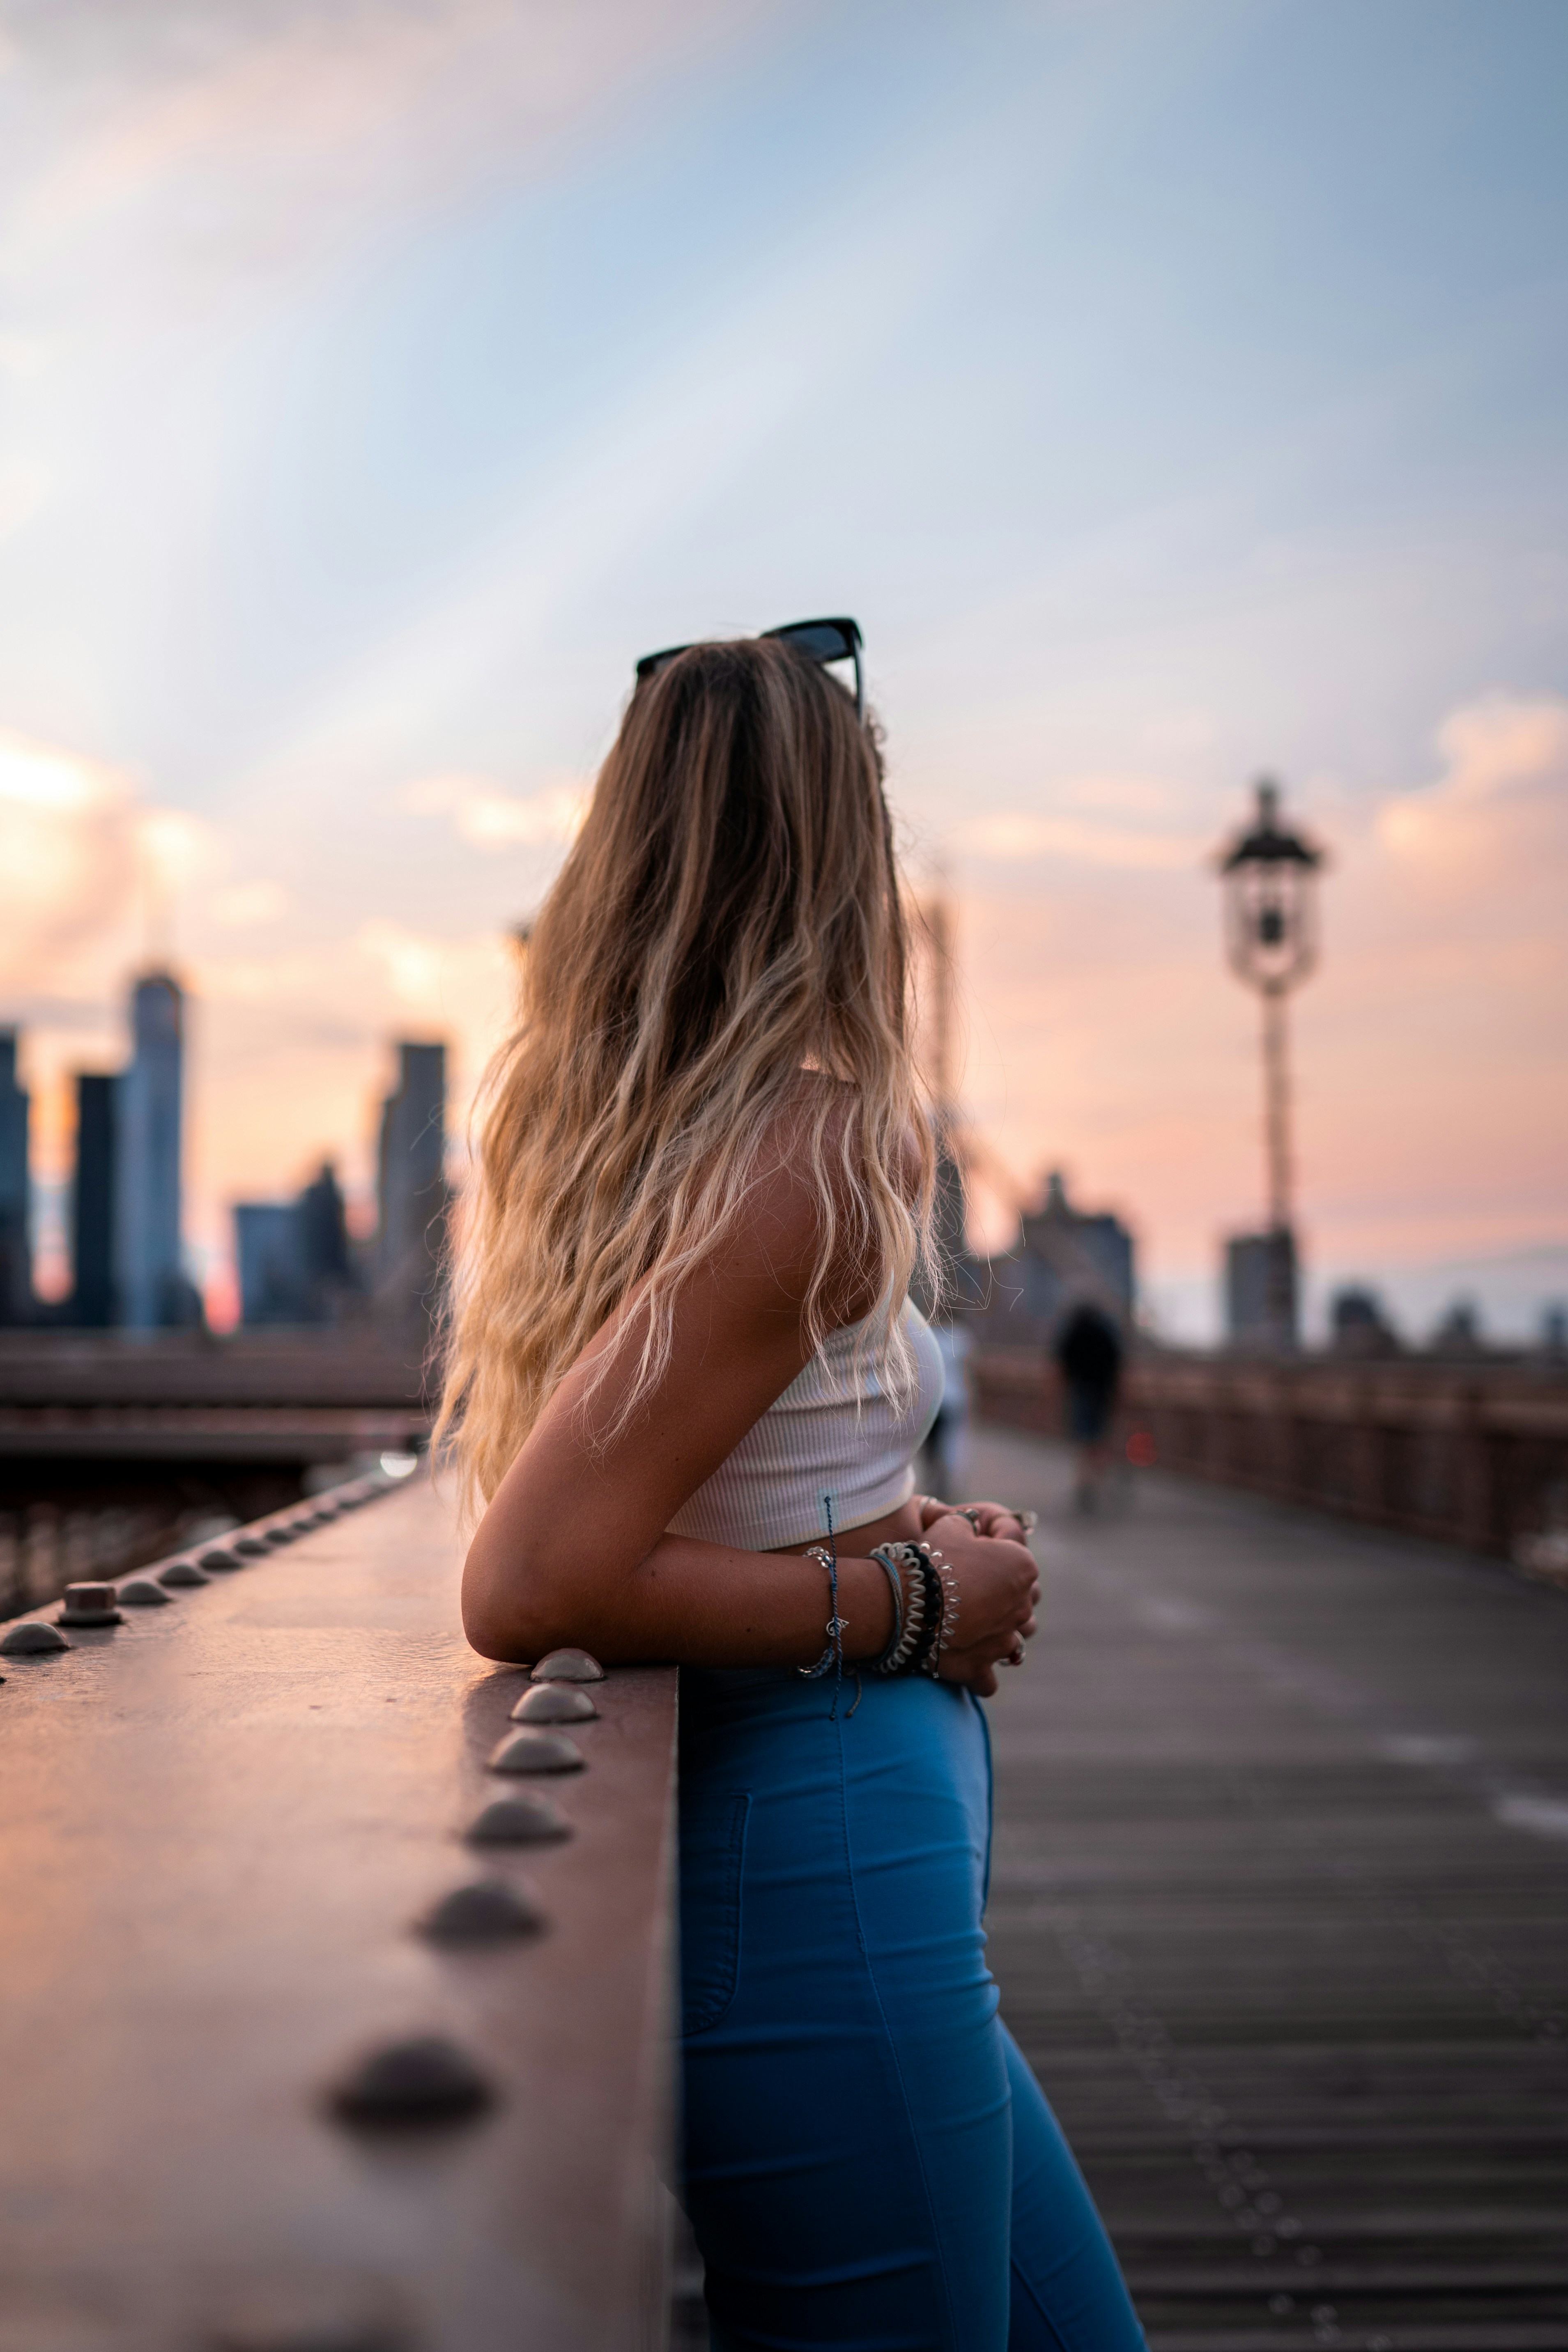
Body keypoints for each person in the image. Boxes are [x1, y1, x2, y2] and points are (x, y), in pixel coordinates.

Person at [440, 624, 1146, 2352]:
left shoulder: (615, 1135)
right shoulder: (828, 1144)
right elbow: (528, 1573)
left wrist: (899, 1522)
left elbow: (717, 1472)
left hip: (810, 1858)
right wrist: (907, 1601)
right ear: (842, 853)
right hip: (819, 1866)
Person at [1053, 1299, 1125, 1512]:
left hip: (1080, 1390)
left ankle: (1086, 1481)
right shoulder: (1106, 1333)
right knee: (1100, 1436)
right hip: (1104, 1391)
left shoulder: (1073, 1332)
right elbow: (1118, 1365)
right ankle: (1099, 1476)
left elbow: (1060, 1365)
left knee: (1084, 1439)